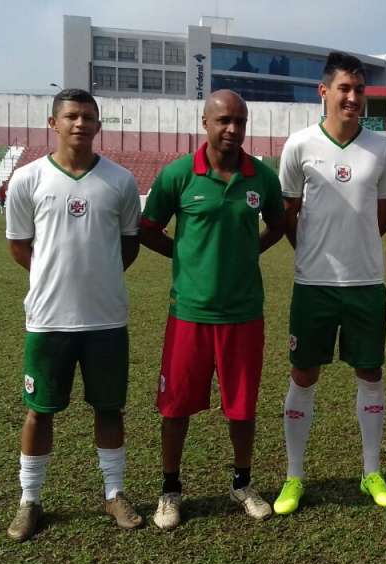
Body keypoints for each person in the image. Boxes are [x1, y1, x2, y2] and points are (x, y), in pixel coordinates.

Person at [140, 89, 285, 531]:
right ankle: (170, 491)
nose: (233, 129)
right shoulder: (179, 174)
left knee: (242, 408)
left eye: (240, 121)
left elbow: (278, 226)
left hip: (244, 315)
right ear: (204, 122)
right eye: (224, 120)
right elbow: (148, 228)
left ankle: (242, 483)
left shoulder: (261, 177)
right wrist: (185, 255)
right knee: (175, 407)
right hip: (189, 314)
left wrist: (246, 252)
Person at [4, 89, 143, 542]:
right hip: (47, 320)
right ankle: (30, 500)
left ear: (99, 125)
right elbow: (19, 246)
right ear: (53, 123)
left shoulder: (120, 181)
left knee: (109, 409)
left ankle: (115, 493)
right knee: (39, 412)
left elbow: (128, 246)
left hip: (106, 320)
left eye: (88, 117)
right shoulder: (27, 179)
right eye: (71, 116)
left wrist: (95, 276)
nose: (80, 123)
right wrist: (54, 277)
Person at [275, 51, 386, 514]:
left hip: (365, 283)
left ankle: (371, 472)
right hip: (313, 284)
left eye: (359, 89)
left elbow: (382, 218)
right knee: (303, 373)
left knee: (370, 373)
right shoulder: (299, 144)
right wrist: (310, 250)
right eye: (344, 88)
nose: (352, 97)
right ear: (323, 92)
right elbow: (289, 213)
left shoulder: (382, 149)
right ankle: (294, 477)